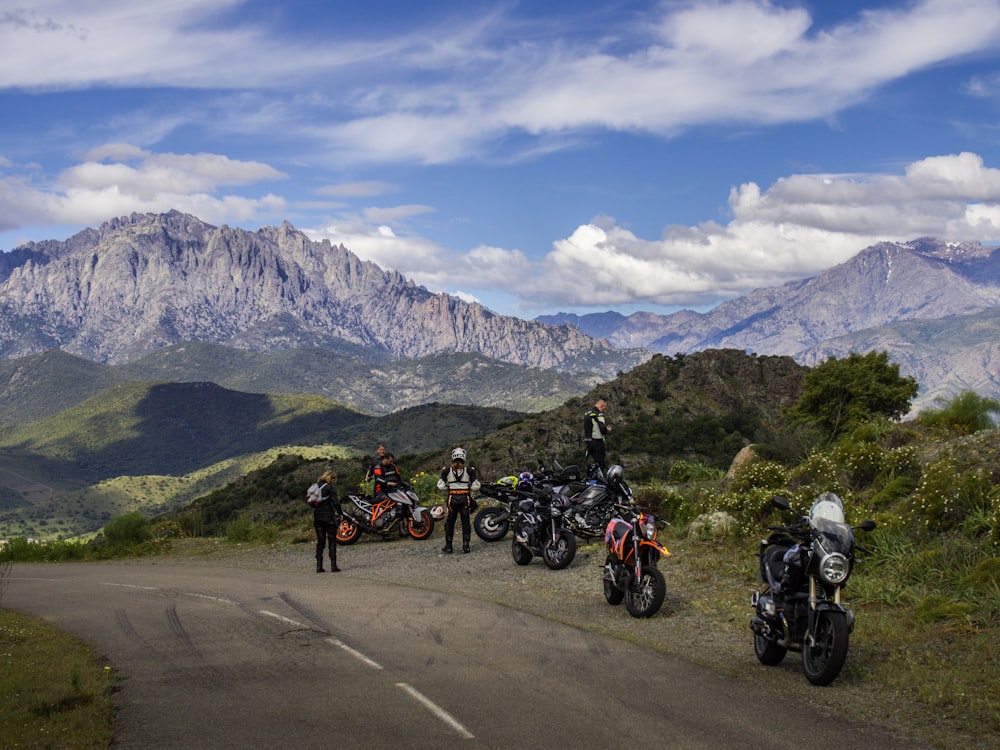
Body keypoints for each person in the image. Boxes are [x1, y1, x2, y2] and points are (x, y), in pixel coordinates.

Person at [437, 447, 480, 554]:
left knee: (450, 522)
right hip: (465, 498)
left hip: (452, 499)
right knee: (465, 522)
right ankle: (466, 546)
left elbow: (440, 485)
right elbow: (476, 486)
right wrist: (468, 486)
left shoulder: (446, 470)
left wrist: (449, 487)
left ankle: (449, 546)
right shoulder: (469, 470)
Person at [311, 470, 342, 573]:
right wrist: (340, 513)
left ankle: (319, 566)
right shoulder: (330, 488)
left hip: (317, 517)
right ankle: (333, 565)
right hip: (328, 516)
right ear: (331, 478)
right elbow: (336, 502)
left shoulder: (316, 486)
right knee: (332, 541)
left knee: (320, 542)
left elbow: (311, 503)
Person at [372, 451, 407, 537]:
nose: (391, 463)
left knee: (402, 504)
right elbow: (378, 479)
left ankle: (401, 529)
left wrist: (405, 484)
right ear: (385, 459)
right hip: (380, 490)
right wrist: (387, 483)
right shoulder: (378, 467)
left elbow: (399, 477)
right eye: (390, 461)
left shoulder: (393, 466)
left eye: (392, 461)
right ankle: (383, 530)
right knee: (386, 506)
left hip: (393, 489)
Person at [583, 398, 611, 470]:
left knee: (594, 461)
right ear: (601, 406)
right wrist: (607, 430)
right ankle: (597, 479)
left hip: (588, 441)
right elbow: (602, 429)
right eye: (604, 409)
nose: (603, 411)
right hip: (597, 441)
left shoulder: (587, 414)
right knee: (600, 463)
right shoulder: (598, 415)